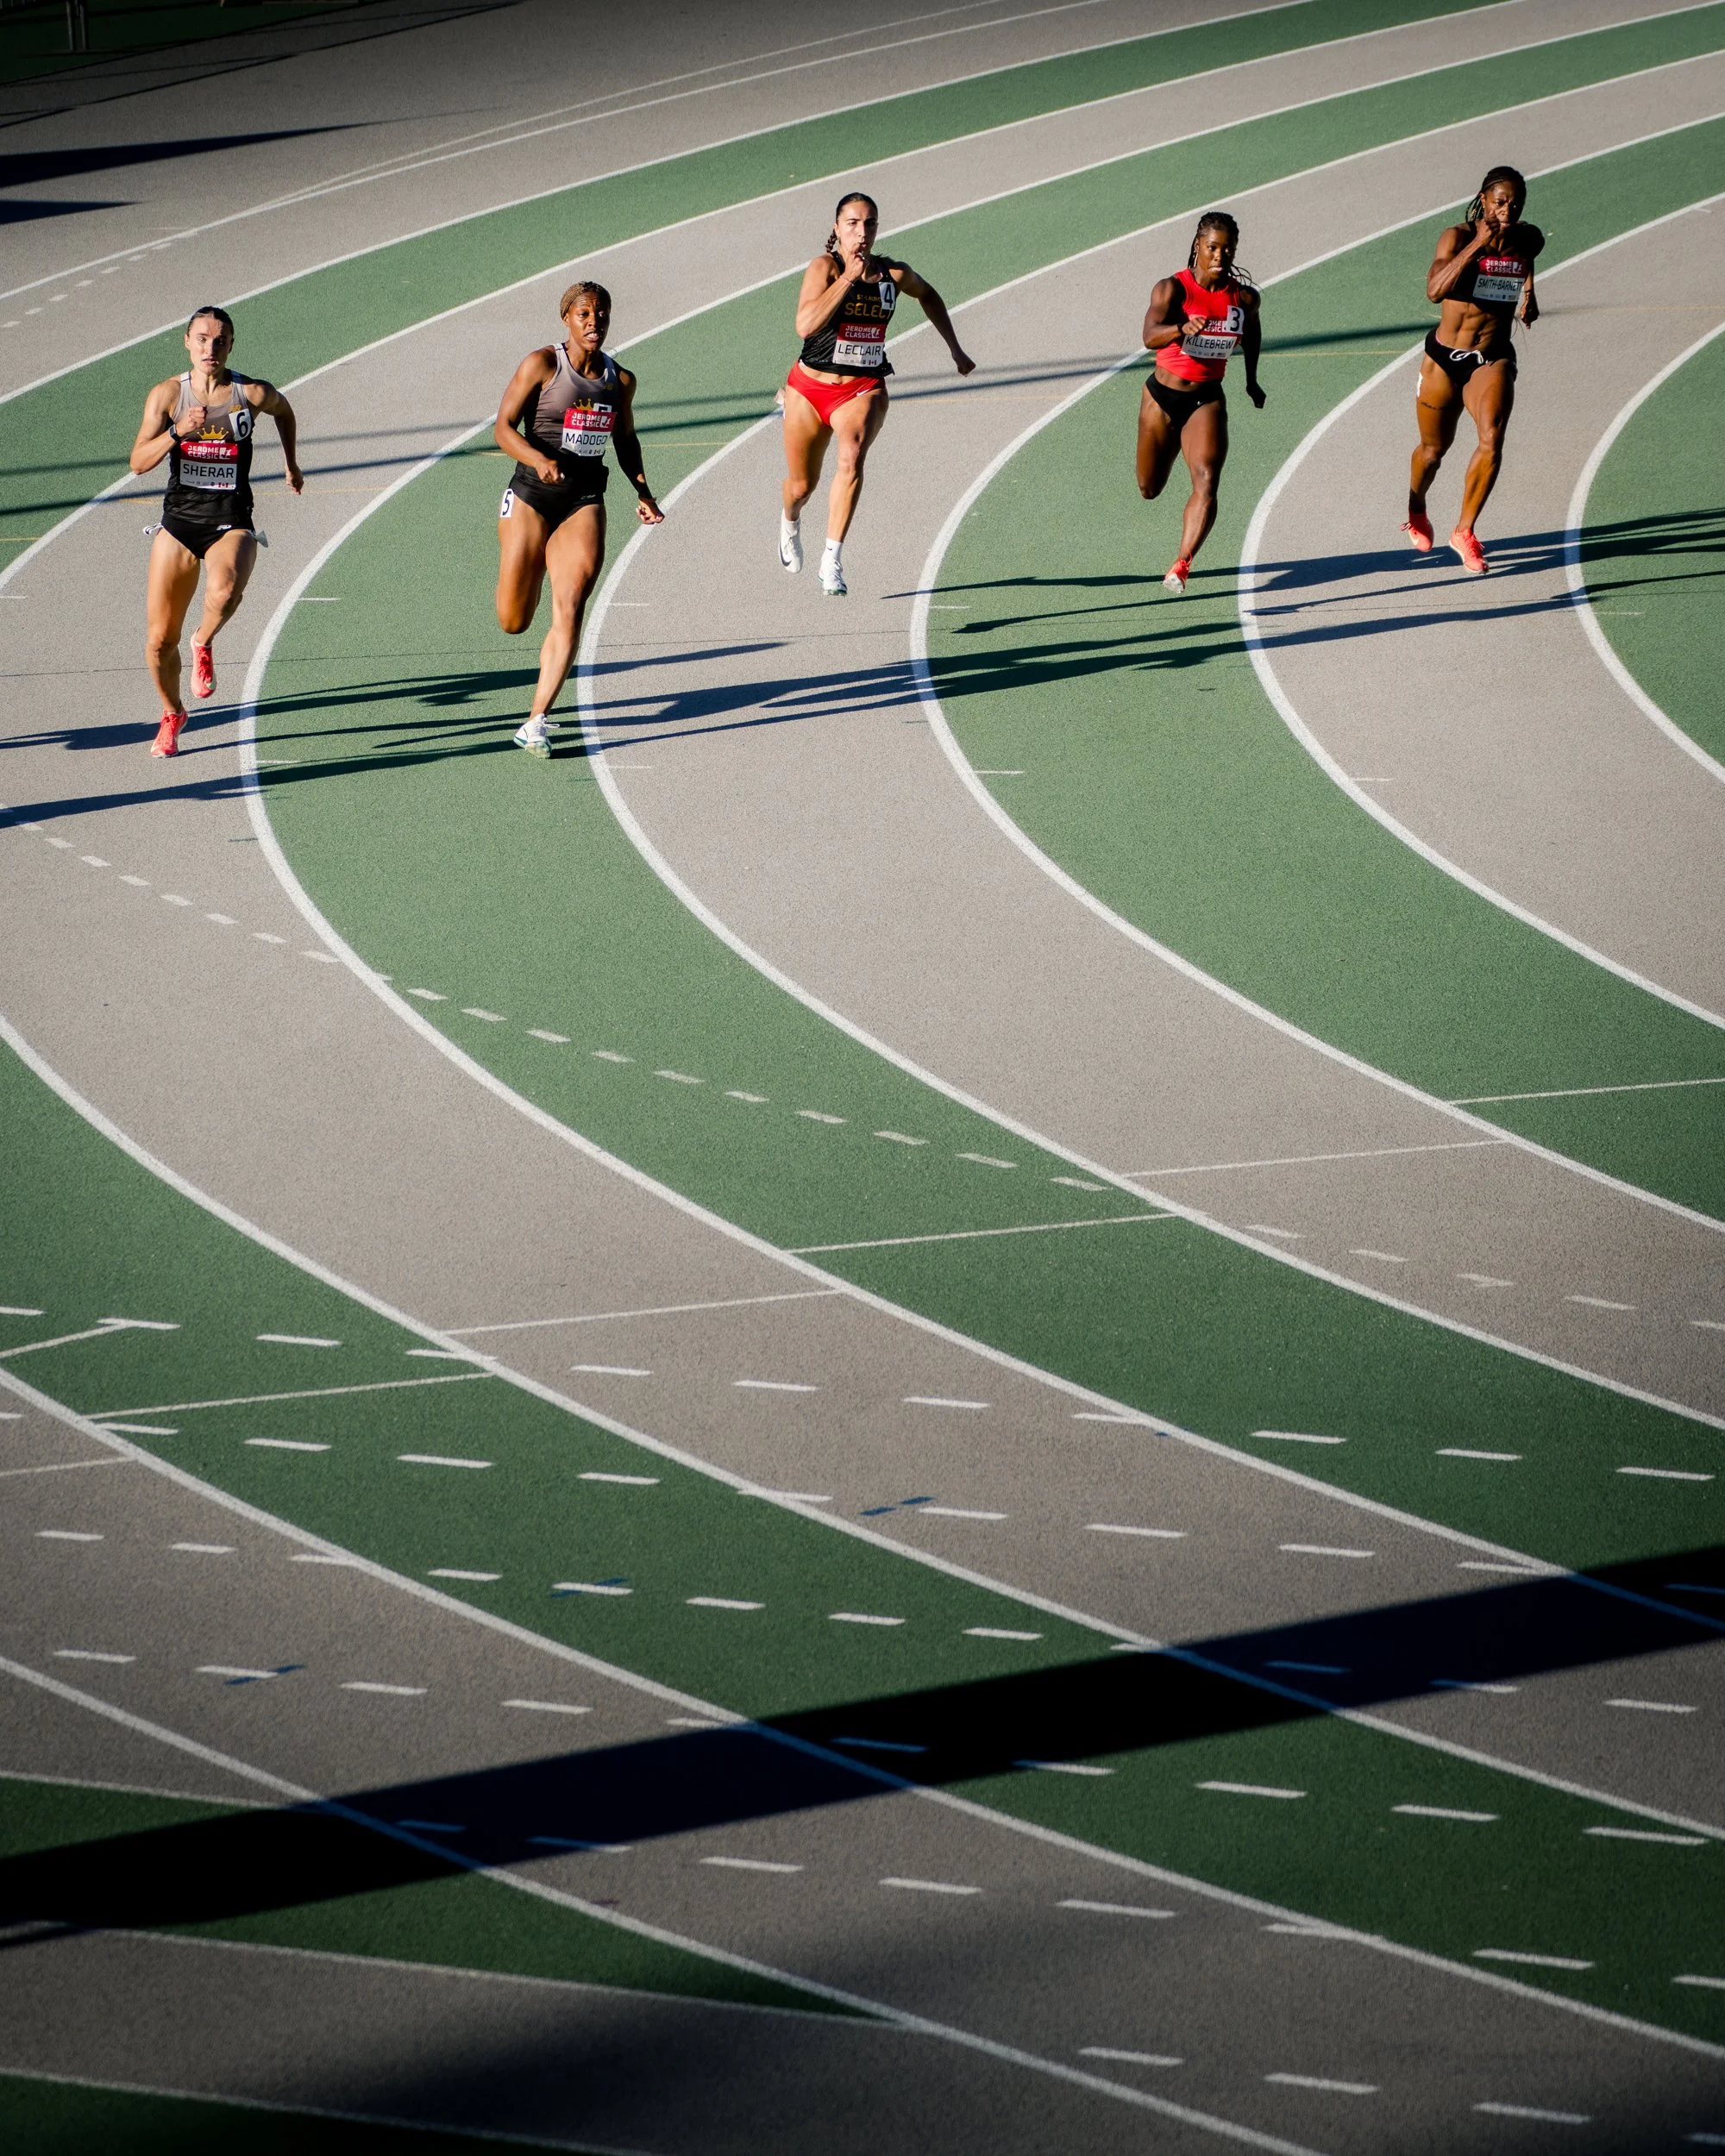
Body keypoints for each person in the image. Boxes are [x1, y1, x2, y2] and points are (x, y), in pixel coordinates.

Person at [492, 281, 662, 757]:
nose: (594, 322)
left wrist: (644, 491)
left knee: (571, 600)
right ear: (566, 318)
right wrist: (537, 458)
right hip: (531, 494)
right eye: (584, 313)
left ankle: (536, 719)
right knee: (513, 620)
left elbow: (625, 440)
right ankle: (529, 565)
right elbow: (502, 427)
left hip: (583, 497)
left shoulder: (620, 380)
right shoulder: (543, 364)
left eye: (602, 313)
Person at [780, 191, 975, 596]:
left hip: (862, 388)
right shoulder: (825, 269)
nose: (861, 232)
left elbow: (929, 294)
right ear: (837, 229)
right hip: (810, 388)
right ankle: (790, 521)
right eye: (852, 223)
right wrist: (849, 277)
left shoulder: (893, 275)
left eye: (870, 223)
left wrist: (954, 347)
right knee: (801, 487)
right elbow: (805, 325)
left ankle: (831, 559)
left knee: (851, 455)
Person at [129, 306, 300, 755]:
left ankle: (203, 640)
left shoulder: (251, 393)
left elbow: (285, 412)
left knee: (224, 592)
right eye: (202, 339)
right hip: (180, 521)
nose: (211, 347)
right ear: (186, 341)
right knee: (158, 641)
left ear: (230, 345)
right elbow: (138, 462)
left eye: (220, 340)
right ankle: (172, 713)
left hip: (231, 519)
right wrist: (176, 432)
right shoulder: (168, 396)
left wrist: (291, 462)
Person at [1404, 165, 1541, 574]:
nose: (1508, 210)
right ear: (1483, 200)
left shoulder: (1528, 239)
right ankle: (1416, 506)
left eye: (1515, 203)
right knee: (1432, 451)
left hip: (1493, 356)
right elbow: (1434, 291)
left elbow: (1526, 258)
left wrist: (1529, 292)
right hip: (1445, 356)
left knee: (1492, 438)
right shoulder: (1457, 237)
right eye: (1500, 202)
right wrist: (1478, 245)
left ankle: (1465, 530)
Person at [1136, 210, 1264, 596]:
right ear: (1198, 246)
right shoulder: (1172, 289)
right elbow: (1148, 336)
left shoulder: (1243, 298)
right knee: (1149, 488)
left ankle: (1182, 564)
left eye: (1228, 249)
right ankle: (1170, 449)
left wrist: (1252, 380)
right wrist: (1180, 328)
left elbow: (1253, 335)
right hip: (1161, 398)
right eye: (1213, 247)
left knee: (1207, 480)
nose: (1220, 256)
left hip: (1206, 398)